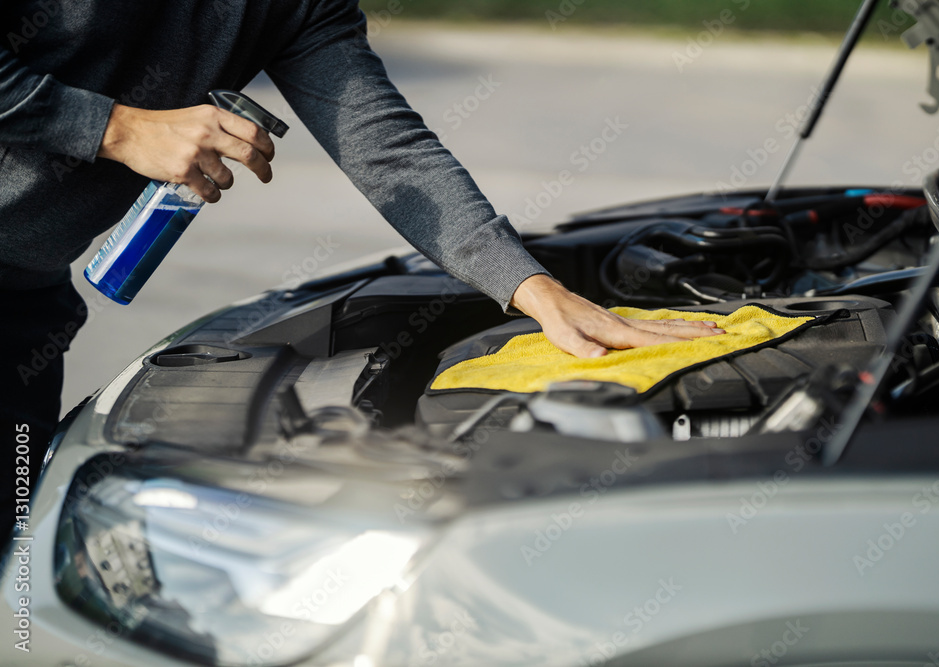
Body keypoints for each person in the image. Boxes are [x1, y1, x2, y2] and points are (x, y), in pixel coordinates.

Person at [0, 0, 723, 542]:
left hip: (27, 310)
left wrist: (540, 293)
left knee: (18, 567)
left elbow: (388, 148)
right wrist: (118, 128)